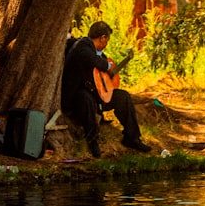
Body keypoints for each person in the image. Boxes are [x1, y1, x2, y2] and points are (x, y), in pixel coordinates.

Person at [60, 21, 152, 158]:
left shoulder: (98, 53)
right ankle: (92, 142)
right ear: (102, 37)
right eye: (106, 40)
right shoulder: (83, 45)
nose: (106, 44)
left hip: (96, 94)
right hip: (76, 98)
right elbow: (93, 60)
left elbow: (101, 71)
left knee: (123, 97)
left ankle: (132, 138)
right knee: (86, 99)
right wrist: (108, 66)